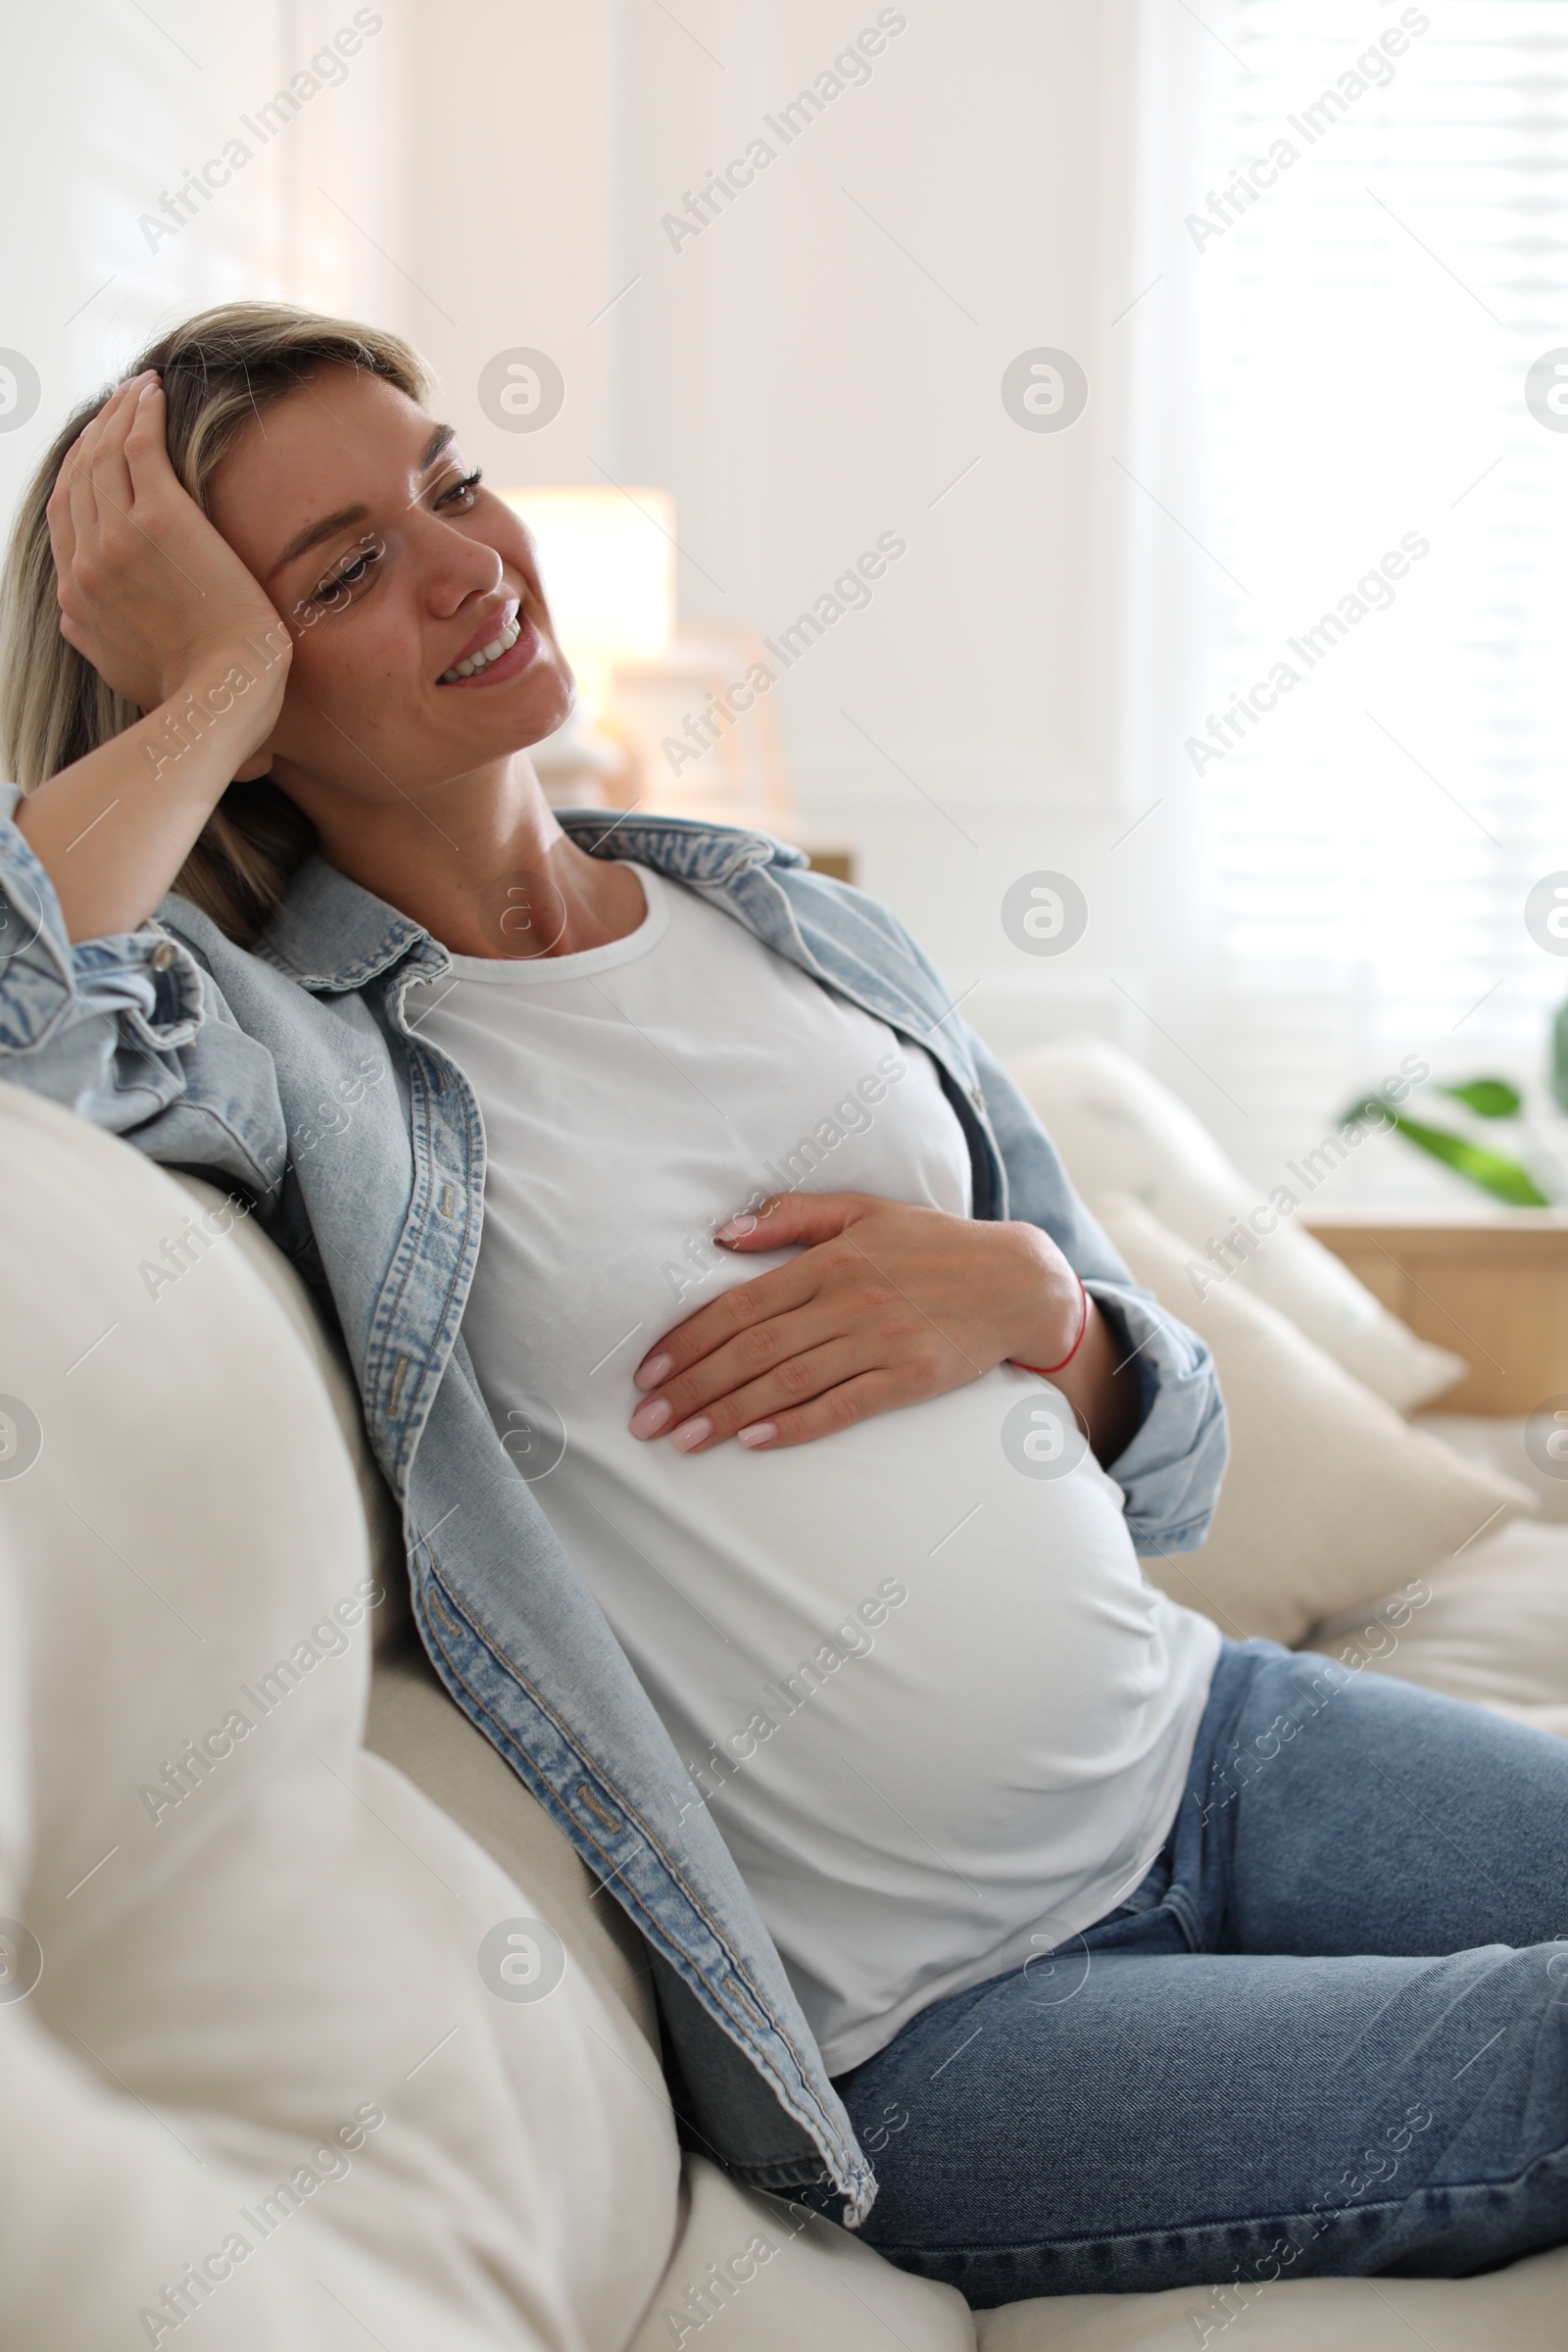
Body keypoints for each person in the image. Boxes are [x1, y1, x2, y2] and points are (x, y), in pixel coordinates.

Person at [0, 303, 1563, 2305]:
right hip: (941, 2037)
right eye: (349, 571)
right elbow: (23, 1020)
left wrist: (1042, 1317)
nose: (472, 562)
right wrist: (208, 685)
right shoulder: (296, 1059)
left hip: (1214, 1749)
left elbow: (1167, 1456)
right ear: (228, 688)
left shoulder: (785, 913)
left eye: (451, 480)